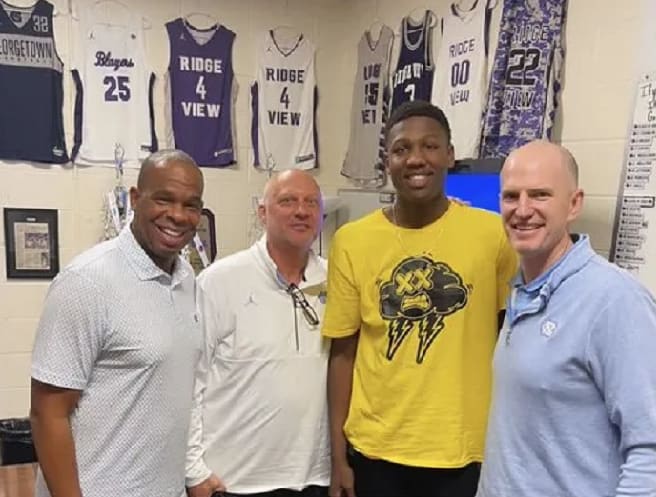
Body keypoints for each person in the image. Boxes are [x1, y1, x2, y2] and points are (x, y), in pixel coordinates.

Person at [322, 100, 517, 497]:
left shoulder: (493, 235)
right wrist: (338, 458)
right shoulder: (351, 241)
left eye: (429, 146)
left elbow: (509, 338)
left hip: (460, 453)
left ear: (449, 155)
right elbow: (344, 352)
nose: (415, 159)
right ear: (387, 161)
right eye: (401, 149)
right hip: (375, 452)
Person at [476, 140, 656, 497]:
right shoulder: (522, 288)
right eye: (511, 196)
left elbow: (649, 450)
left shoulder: (613, 300)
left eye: (540, 195)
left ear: (574, 204)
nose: (522, 210)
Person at [30, 149, 205, 497]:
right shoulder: (87, 281)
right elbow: (47, 414)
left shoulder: (187, 279)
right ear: (136, 199)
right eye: (164, 200)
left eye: (191, 205)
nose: (177, 215)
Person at [185, 170, 330, 497]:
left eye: (311, 202)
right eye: (287, 201)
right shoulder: (219, 281)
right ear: (262, 213)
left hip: (316, 478)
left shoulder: (336, 279)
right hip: (234, 481)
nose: (301, 211)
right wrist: (193, 469)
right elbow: (189, 381)